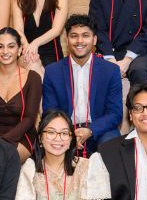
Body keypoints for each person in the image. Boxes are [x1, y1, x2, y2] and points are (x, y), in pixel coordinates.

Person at [42, 13, 123, 156]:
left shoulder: (110, 70)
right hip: (64, 131)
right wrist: (67, 132)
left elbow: (115, 113)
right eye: (74, 36)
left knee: (111, 145)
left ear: (94, 40)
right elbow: (50, 112)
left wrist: (91, 130)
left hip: (99, 131)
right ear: (67, 40)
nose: (79, 41)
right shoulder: (52, 71)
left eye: (85, 35)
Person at [0, 27, 42, 163]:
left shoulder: (33, 78)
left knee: (2, 158)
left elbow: (30, 118)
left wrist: (2, 141)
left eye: (11, 46)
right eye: (0, 47)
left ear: (19, 50)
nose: (5, 51)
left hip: (22, 136)